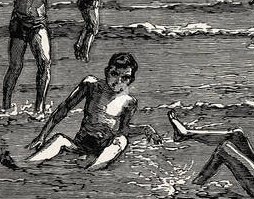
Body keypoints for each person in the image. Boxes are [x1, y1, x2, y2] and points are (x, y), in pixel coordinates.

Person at [17, 52, 161, 171]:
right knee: (59, 139)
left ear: (131, 80)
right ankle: (26, 166)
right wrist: (42, 135)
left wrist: (145, 129)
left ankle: (93, 169)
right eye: (114, 74)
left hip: (103, 147)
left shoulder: (129, 102)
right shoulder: (91, 85)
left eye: (125, 78)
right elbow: (64, 108)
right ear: (107, 72)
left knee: (121, 140)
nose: (118, 81)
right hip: (81, 144)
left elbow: (123, 130)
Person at [2, 0, 55, 115]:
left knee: (45, 62)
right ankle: (6, 106)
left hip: (39, 23)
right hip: (19, 23)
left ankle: (38, 108)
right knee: (15, 66)